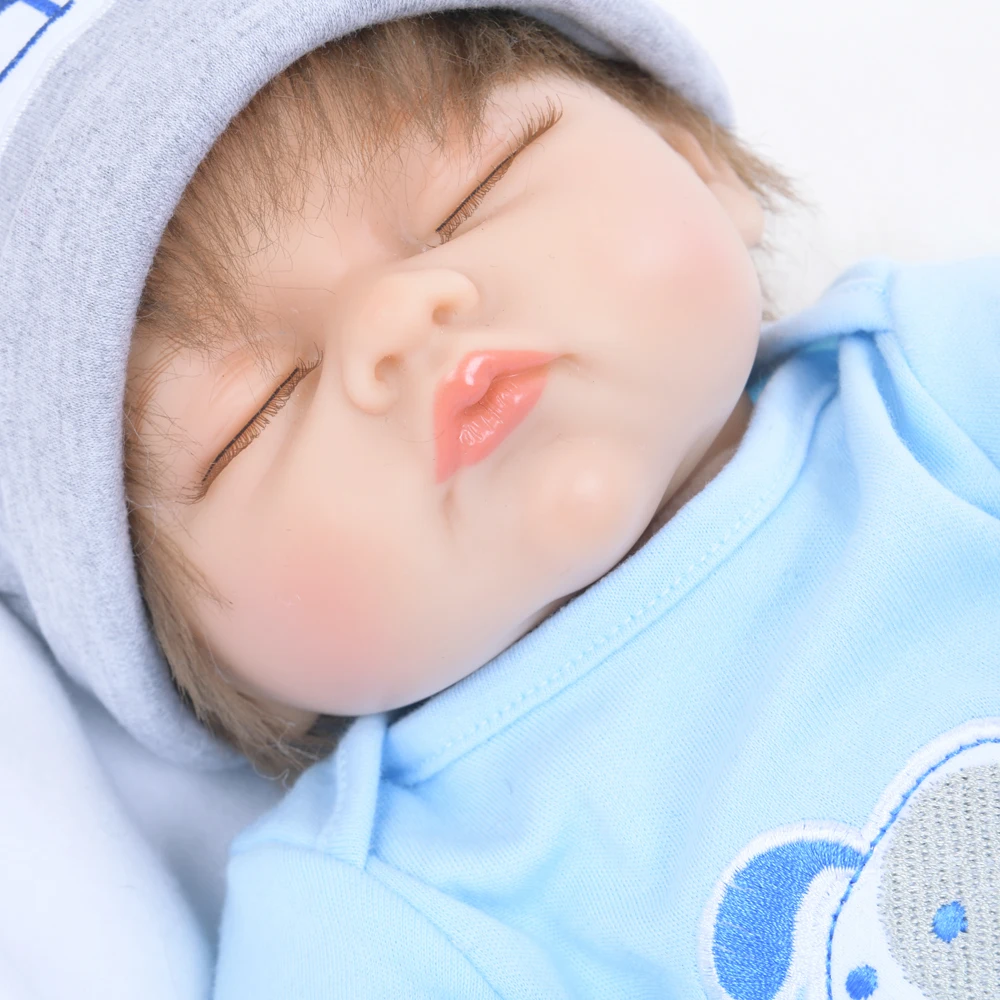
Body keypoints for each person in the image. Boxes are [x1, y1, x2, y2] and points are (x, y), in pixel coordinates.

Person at [2, 3, 997, 1000]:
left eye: (474, 191)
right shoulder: (359, 924)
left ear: (695, 161)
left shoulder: (932, 380)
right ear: (193, 663)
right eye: (258, 406)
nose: (405, 316)